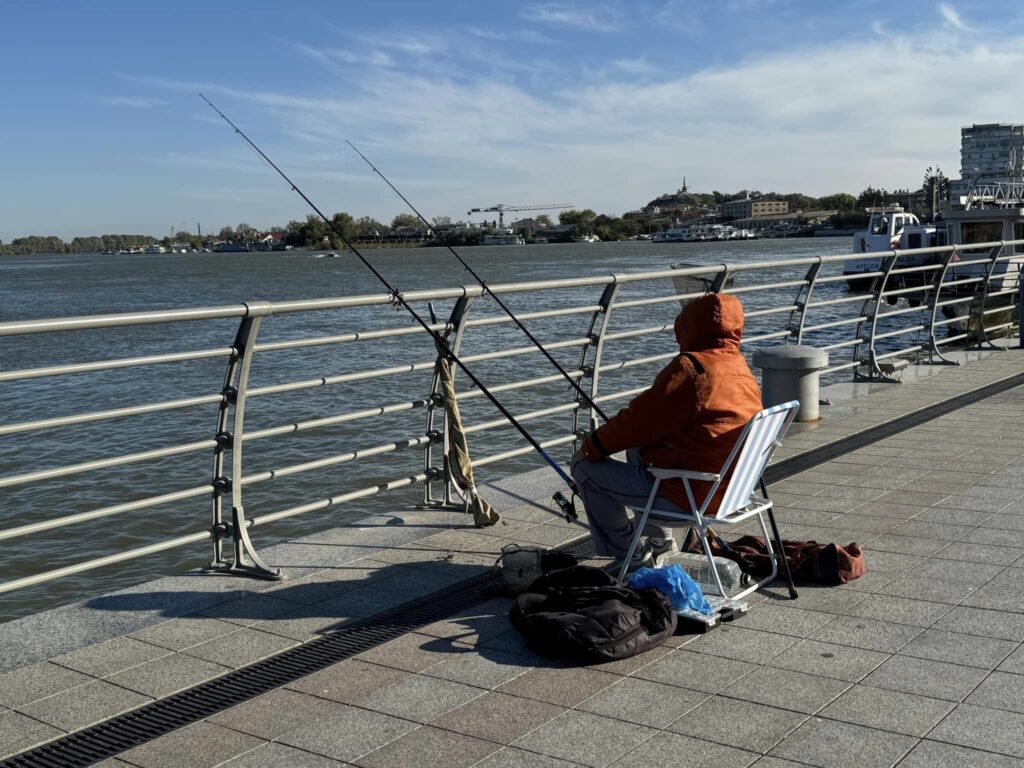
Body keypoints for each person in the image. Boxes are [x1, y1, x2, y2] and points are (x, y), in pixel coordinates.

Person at [571, 292, 763, 573]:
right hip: (731, 491)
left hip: (690, 497)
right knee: (637, 448)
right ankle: (660, 543)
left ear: (689, 325)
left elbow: (638, 420)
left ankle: (630, 555)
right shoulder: (738, 366)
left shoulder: (692, 368)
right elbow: (648, 425)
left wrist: (592, 446)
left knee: (585, 468)